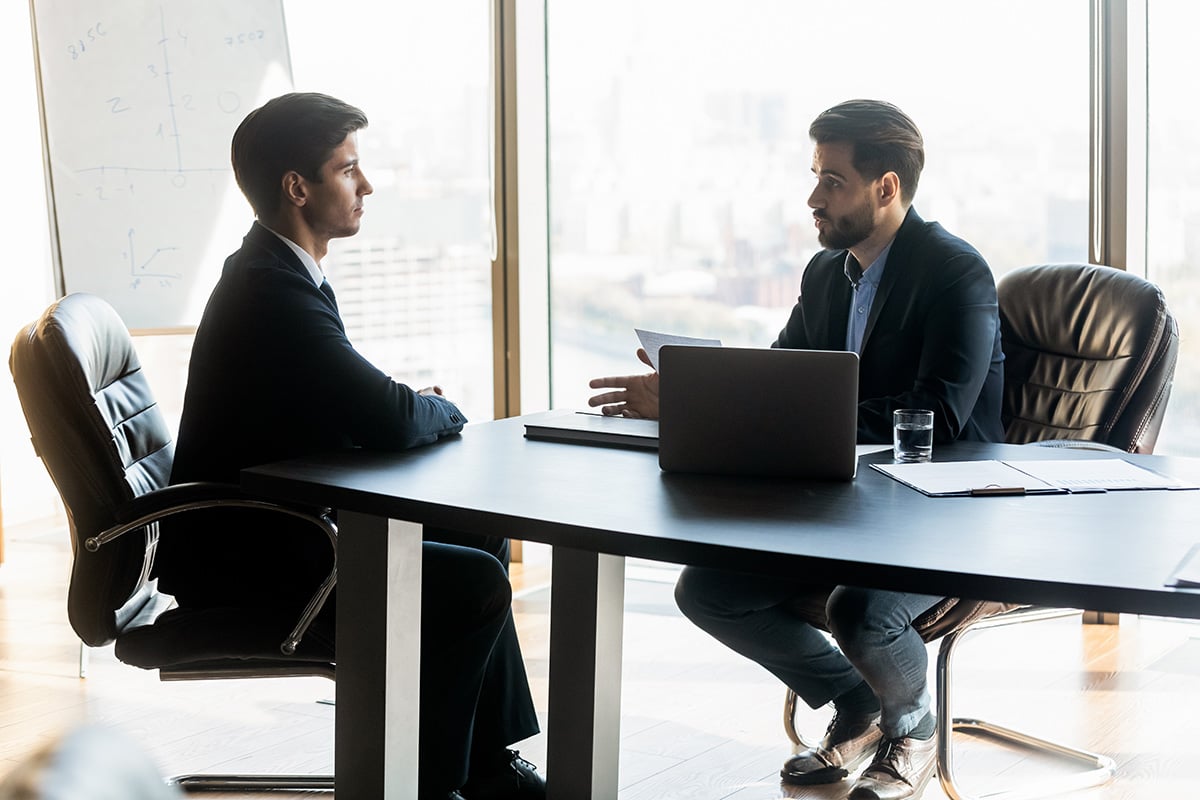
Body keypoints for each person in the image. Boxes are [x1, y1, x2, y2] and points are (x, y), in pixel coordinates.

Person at [588, 99, 1004, 800]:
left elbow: (937, 418)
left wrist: (708, 403)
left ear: (886, 187)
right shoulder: (825, 275)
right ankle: (858, 700)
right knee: (710, 590)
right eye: (815, 176)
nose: (813, 197)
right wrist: (697, 389)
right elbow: (781, 383)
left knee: (860, 611)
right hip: (845, 503)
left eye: (831, 180)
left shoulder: (956, 273)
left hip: (943, 513)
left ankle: (914, 727)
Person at [153, 92, 543, 800]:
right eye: (349, 169)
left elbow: (340, 404)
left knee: (479, 533)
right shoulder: (271, 288)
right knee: (474, 582)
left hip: (270, 527)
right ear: (298, 187)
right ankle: (431, 785)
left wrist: (403, 407)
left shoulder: (278, 274)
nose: (367, 185)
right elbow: (391, 418)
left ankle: (486, 763)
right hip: (252, 553)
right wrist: (436, 406)